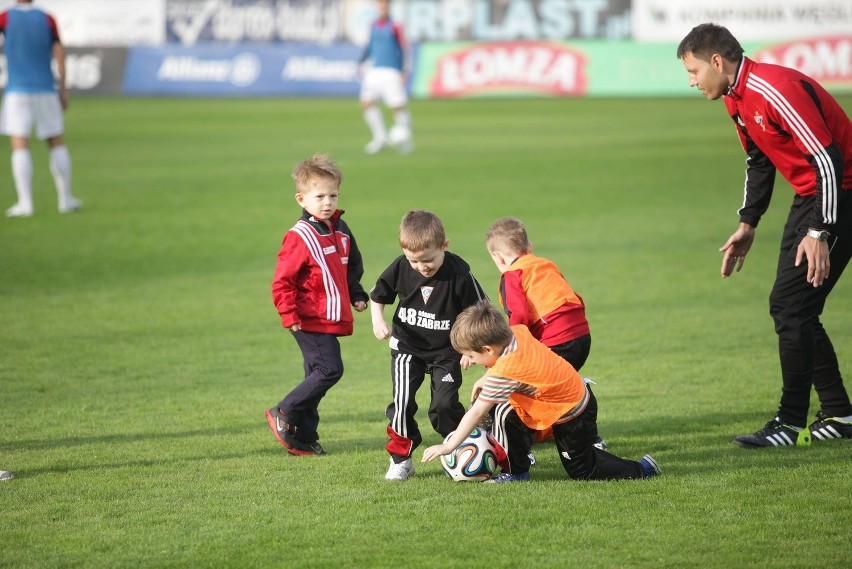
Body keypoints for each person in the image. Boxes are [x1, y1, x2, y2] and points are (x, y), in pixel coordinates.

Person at [677, 23, 852, 448]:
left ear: (717, 62)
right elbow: (759, 158)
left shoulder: (773, 88)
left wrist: (819, 230)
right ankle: (840, 415)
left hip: (840, 193)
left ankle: (790, 424)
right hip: (813, 196)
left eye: (694, 71)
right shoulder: (736, 98)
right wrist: (748, 222)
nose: (692, 81)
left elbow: (828, 158)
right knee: (792, 309)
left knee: (791, 309)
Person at [421, 301, 660, 482]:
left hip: (573, 413)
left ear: (488, 349)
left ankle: (643, 469)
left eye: (471, 356)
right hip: (571, 394)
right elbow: (502, 365)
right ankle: (518, 471)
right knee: (505, 413)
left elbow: (475, 413)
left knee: (582, 469)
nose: (469, 360)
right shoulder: (516, 332)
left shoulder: (507, 370)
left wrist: (448, 447)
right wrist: (485, 375)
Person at [371, 209, 487, 480]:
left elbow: (479, 312)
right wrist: (378, 320)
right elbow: (379, 295)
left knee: (443, 406)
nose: (422, 267)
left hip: (447, 353)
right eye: (414, 261)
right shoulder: (401, 266)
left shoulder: (459, 272)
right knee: (401, 403)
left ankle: (465, 444)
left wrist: (471, 349)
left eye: (428, 260)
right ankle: (401, 459)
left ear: (444, 246)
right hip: (407, 348)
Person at [265, 153, 369, 456]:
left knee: (315, 373)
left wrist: (357, 293)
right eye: (319, 196)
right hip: (308, 316)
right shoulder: (299, 236)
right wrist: (289, 314)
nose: (327, 202)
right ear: (301, 198)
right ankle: (283, 411)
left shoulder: (341, 229)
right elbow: (282, 281)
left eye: (333, 195)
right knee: (329, 369)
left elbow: (351, 267)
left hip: (329, 315)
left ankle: (304, 436)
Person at [485, 216, 605, 450]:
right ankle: (591, 439)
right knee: (561, 388)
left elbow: (518, 317)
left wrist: (511, 355)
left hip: (556, 340)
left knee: (515, 389)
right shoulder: (545, 264)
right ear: (529, 248)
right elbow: (572, 297)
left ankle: (520, 450)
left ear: (498, 257)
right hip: (582, 336)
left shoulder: (512, 275)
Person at [0, 0, 80, 217]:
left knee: (20, 145)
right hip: (45, 87)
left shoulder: (5, 18)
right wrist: (63, 88)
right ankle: (66, 199)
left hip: (16, 89)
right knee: (56, 142)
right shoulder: (47, 18)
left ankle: (25, 203)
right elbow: (59, 53)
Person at [358, 0, 413, 155]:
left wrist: (405, 70)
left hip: (392, 71)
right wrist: (360, 63)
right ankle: (380, 137)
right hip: (374, 71)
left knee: (398, 106)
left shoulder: (396, 26)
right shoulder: (372, 25)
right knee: (366, 102)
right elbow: (368, 46)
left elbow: (404, 49)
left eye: (385, 5)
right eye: (380, 5)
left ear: (389, 7)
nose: (382, 7)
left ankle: (405, 139)